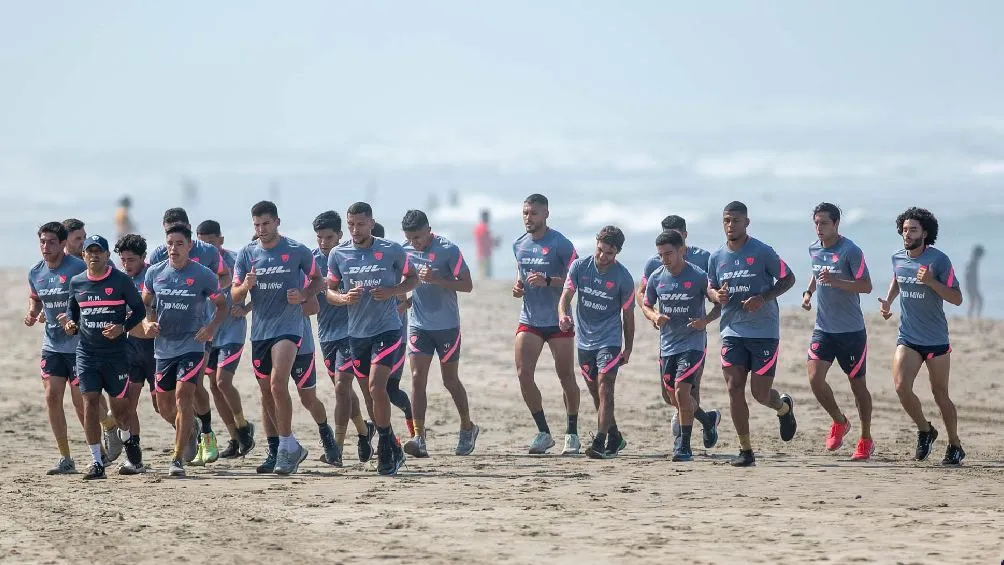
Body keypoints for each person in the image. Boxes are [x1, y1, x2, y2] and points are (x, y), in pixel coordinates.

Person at [326, 202, 418, 475]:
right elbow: (329, 291)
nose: (355, 230)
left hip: (388, 328)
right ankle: (390, 442)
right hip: (357, 333)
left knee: (378, 387)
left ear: (371, 223)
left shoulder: (391, 250)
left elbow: (413, 279)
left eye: (361, 224)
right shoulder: (338, 254)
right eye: (351, 224)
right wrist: (343, 298)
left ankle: (386, 450)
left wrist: (392, 291)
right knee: (369, 392)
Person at [232, 201, 323, 475]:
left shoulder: (296, 250)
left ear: (277, 222)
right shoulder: (247, 254)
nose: (261, 230)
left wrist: (304, 295)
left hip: (289, 327)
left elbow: (318, 280)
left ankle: (285, 447)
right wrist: (246, 286)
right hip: (261, 330)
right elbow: (234, 295)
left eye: (266, 224)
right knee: (266, 392)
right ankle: (285, 447)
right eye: (257, 225)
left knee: (277, 383)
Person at [707, 201, 798, 467]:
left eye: (736, 220)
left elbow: (788, 278)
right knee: (734, 388)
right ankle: (746, 450)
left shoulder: (762, 252)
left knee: (760, 394)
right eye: (726, 220)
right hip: (732, 330)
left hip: (764, 331)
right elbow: (711, 288)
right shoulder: (716, 257)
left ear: (747, 222)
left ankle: (783, 407)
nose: (730, 225)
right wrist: (716, 295)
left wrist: (764, 297)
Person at [878, 207, 965, 464]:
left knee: (940, 395)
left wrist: (931, 282)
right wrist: (889, 301)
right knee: (901, 387)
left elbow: (957, 298)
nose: (907, 234)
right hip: (908, 337)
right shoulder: (898, 257)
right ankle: (926, 430)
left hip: (936, 339)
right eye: (904, 229)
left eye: (913, 229)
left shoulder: (939, 261)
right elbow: (898, 277)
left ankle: (954, 444)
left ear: (925, 233)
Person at [142, 223, 227, 477]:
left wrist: (210, 328)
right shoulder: (154, 273)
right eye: (170, 244)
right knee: (165, 406)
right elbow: (145, 305)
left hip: (192, 345)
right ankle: (190, 431)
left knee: (183, 397)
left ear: (190, 246)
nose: (174, 248)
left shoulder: (203, 275)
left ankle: (177, 459)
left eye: (180, 244)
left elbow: (222, 307)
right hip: (163, 347)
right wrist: (147, 322)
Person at [59, 235, 146, 480]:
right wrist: (71, 324)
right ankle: (97, 461)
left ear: (107, 256)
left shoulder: (121, 281)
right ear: (84, 255)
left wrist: (123, 327)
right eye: (90, 251)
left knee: (121, 411)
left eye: (99, 252)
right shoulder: (77, 282)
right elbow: (72, 310)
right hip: (87, 353)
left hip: (116, 354)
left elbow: (139, 310)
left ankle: (128, 439)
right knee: (90, 403)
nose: (94, 255)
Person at [400, 209, 479, 458]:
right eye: (410, 238)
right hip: (419, 325)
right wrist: (406, 299)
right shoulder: (404, 251)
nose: (415, 243)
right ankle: (419, 437)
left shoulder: (448, 250)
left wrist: (437, 279)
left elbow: (467, 285)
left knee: (449, 380)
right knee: (416, 378)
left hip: (447, 326)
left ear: (429, 230)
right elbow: (405, 281)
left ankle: (467, 426)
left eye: (419, 238)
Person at [801, 203, 875, 460]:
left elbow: (866, 286)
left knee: (857, 386)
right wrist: (808, 293)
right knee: (814, 378)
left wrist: (837, 282)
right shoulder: (814, 248)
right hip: (824, 328)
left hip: (851, 331)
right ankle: (839, 421)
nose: (819, 228)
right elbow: (816, 274)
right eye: (816, 223)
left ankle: (865, 438)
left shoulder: (850, 250)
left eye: (824, 223)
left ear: (836, 224)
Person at [641, 230, 723, 461]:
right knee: (673, 398)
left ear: (682, 251)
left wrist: (705, 320)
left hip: (693, 343)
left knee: (681, 390)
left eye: (669, 253)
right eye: (660, 255)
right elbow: (646, 304)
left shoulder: (697, 275)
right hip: (668, 345)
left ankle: (683, 446)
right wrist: (654, 316)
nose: (665, 259)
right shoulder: (657, 277)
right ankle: (708, 420)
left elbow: (715, 302)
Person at [512, 193, 581, 455]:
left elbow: (577, 277)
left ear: (546, 215)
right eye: (525, 213)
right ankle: (543, 432)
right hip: (529, 318)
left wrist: (550, 281)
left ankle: (572, 433)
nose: (528, 218)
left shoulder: (561, 244)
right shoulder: (519, 244)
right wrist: (518, 286)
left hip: (558, 319)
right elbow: (521, 270)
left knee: (565, 376)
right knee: (523, 374)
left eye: (534, 213)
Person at [557, 225, 634, 459]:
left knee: (606, 386)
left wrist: (628, 348)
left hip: (609, 339)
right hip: (585, 339)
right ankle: (615, 436)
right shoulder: (580, 267)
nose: (602, 256)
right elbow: (566, 297)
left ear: (617, 252)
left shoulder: (623, 277)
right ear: (596, 243)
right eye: (600, 250)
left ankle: (600, 443)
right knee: (595, 393)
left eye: (609, 253)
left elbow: (628, 317)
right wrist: (563, 315)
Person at [313, 212, 377, 463]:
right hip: (326, 334)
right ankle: (363, 432)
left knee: (342, 387)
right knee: (345, 392)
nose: (324, 243)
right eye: (319, 238)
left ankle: (336, 449)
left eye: (329, 237)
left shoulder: (350, 258)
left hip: (352, 333)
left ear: (340, 235)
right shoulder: (310, 260)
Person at [27, 222, 87, 474]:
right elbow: (37, 298)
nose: (46, 246)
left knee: (81, 400)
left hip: (80, 344)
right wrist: (32, 313)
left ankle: (104, 438)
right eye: (42, 241)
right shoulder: (35, 272)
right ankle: (65, 458)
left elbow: (92, 300)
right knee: (52, 396)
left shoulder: (78, 268)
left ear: (63, 244)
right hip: (52, 344)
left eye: (51, 242)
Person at [63, 218, 123, 458]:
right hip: (65, 342)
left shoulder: (96, 264)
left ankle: (110, 433)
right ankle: (106, 432)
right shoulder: (60, 265)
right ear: (65, 240)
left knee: (89, 396)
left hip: (94, 346)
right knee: (81, 402)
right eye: (78, 238)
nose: (81, 242)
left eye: (83, 237)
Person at [196, 220, 256, 459]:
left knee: (222, 381)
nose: (208, 247)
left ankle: (242, 426)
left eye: (212, 242)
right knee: (212, 385)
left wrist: (247, 308)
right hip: (209, 333)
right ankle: (233, 438)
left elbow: (261, 289)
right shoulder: (195, 265)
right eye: (202, 243)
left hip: (232, 330)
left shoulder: (235, 260)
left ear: (221, 240)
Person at [113, 234, 160, 474]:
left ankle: (189, 429)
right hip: (131, 347)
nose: (127, 264)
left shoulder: (155, 275)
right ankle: (134, 457)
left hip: (157, 349)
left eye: (131, 259)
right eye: (122, 260)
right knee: (128, 404)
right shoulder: (120, 280)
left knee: (161, 406)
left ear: (143, 257)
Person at [371, 221, 415, 437]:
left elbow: (409, 292)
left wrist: (401, 303)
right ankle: (385, 437)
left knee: (390, 389)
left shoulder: (390, 261)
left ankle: (413, 427)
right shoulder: (359, 265)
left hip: (394, 336)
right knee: (373, 389)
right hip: (366, 336)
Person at [474, 209, 501, 280]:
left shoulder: (478, 228)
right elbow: (489, 243)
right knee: (486, 277)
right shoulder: (485, 229)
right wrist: (496, 241)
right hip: (485, 255)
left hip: (480, 254)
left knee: (481, 276)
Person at [964, 244, 984, 320]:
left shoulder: (974, 262)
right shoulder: (972, 262)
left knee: (975, 301)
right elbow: (968, 274)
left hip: (972, 286)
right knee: (976, 301)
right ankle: (973, 316)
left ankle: (972, 316)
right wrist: (971, 285)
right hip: (971, 286)